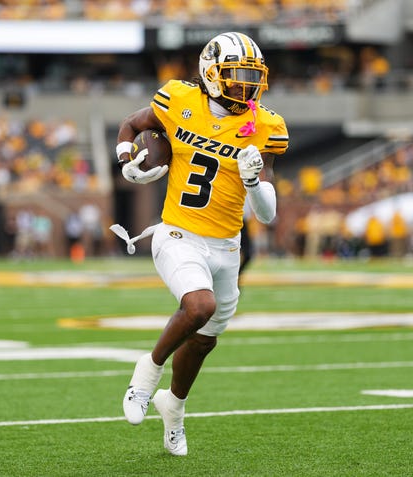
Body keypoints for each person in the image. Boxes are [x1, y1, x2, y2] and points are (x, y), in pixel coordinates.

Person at [114, 32, 288, 456]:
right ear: (211, 73)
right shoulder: (178, 99)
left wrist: (252, 181)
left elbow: (267, 214)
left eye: (252, 77)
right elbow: (134, 124)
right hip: (178, 232)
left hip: (227, 245)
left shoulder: (264, 125)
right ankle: (147, 371)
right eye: (236, 75)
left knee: (204, 340)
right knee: (199, 306)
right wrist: (126, 161)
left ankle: (173, 408)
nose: (245, 86)